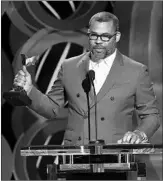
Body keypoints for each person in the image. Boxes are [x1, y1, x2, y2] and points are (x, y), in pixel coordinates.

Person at [14, 12, 160, 146]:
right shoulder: (69, 66)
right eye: (94, 36)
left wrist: (140, 134)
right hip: (73, 156)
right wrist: (29, 90)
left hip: (116, 156)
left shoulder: (136, 71)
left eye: (105, 37)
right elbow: (52, 109)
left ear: (117, 37)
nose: (98, 42)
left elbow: (151, 117)